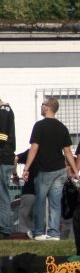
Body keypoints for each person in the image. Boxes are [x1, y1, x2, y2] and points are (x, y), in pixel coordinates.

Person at [22, 96, 78, 241]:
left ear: (47, 107)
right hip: (60, 170)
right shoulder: (62, 127)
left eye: (42, 105)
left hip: (44, 170)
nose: (41, 107)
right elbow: (68, 151)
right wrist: (75, 170)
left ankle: (39, 232)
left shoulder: (39, 126)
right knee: (55, 203)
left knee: (40, 201)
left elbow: (34, 148)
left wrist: (26, 168)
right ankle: (54, 233)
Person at [0, 98, 15, 239]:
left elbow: (2, 136)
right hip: (5, 157)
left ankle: (4, 229)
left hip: (3, 157)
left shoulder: (4, 111)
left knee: (2, 194)